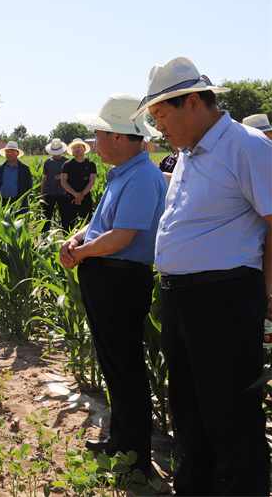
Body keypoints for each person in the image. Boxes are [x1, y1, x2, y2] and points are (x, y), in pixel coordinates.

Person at [130, 56, 272, 495]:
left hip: (224, 298)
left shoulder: (247, 146)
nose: (158, 129)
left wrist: (268, 293)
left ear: (192, 102)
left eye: (160, 115)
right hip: (182, 300)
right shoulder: (189, 153)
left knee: (230, 415)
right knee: (190, 411)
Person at [60, 93, 166, 480]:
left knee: (124, 369)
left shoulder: (141, 177)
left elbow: (121, 237)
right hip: (108, 275)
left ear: (120, 136)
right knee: (115, 365)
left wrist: (83, 252)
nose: (93, 141)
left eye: (98, 133)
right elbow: (102, 222)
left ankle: (135, 455)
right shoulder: (125, 172)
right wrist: (76, 238)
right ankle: (121, 440)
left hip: (119, 279)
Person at [59, 138, 97, 232]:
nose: (76, 149)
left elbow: (91, 181)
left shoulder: (91, 164)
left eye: (79, 147)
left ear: (84, 149)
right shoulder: (67, 165)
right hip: (69, 197)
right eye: (74, 148)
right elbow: (64, 182)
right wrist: (75, 195)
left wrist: (81, 195)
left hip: (86, 197)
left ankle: (84, 243)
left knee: (86, 222)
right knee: (68, 222)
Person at [0, 141, 33, 213]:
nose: (9, 154)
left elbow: (29, 186)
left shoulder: (24, 169)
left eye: (12, 151)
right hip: (2, 203)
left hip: (18, 204)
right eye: (7, 152)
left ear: (17, 153)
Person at [39, 138, 68, 231]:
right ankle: (45, 236)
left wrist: (61, 178)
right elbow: (45, 178)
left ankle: (66, 235)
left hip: (63, 193)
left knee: (65, 215)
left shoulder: (67, 162)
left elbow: (71, 178)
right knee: (46, 216)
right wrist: (42, 193)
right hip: (49, 192)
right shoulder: (48, 162)